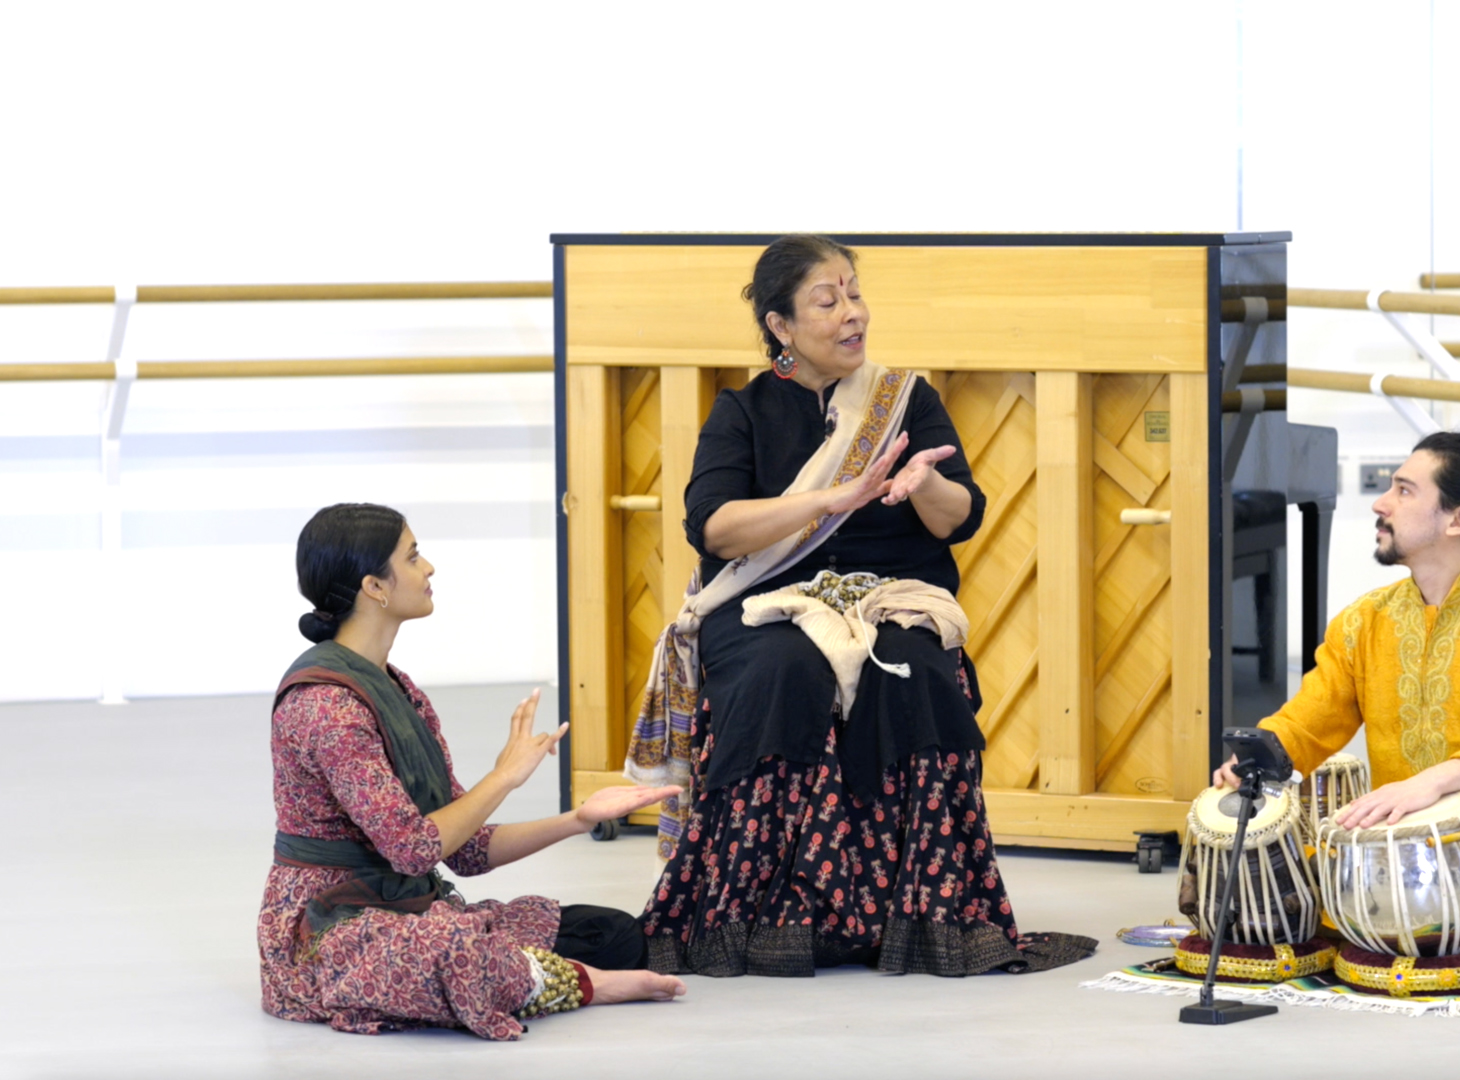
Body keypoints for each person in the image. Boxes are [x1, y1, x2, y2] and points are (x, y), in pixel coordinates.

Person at [624, 234, 1095, 978]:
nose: (853, 313)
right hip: (765, 601)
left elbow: (958, 517)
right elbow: (711, 527)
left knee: (913, 673)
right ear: (781, 326)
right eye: (828, 299)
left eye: (854, 293)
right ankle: (762, 918)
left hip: (891, 596)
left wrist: (921, 482)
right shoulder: (741, 412)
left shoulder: (906, 399)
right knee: (783, 670)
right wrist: (835, 498)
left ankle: (924, 917)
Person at [260, 503, 688, 1040]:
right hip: (328, 926)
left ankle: (531, 974)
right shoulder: (327, 706)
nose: (429, 568)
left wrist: (578, 818)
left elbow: (462, 849)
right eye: (413, 557)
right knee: (458, 953)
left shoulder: (399, 689)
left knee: (613, 933)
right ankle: (583, 984)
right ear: (375, 586)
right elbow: (414, 850)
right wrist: (504, 776)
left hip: (404, 905)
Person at [1213, 431, 1460, 975]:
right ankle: (1422, 935)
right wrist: (1256, 759)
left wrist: (1431, 783)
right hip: (1384, 863)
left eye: (1404, 491)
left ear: (1458, 520)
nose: (1380, 503)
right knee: (1257, 907)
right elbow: (1313, 716)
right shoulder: (1364, 620)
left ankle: (1416, 934)